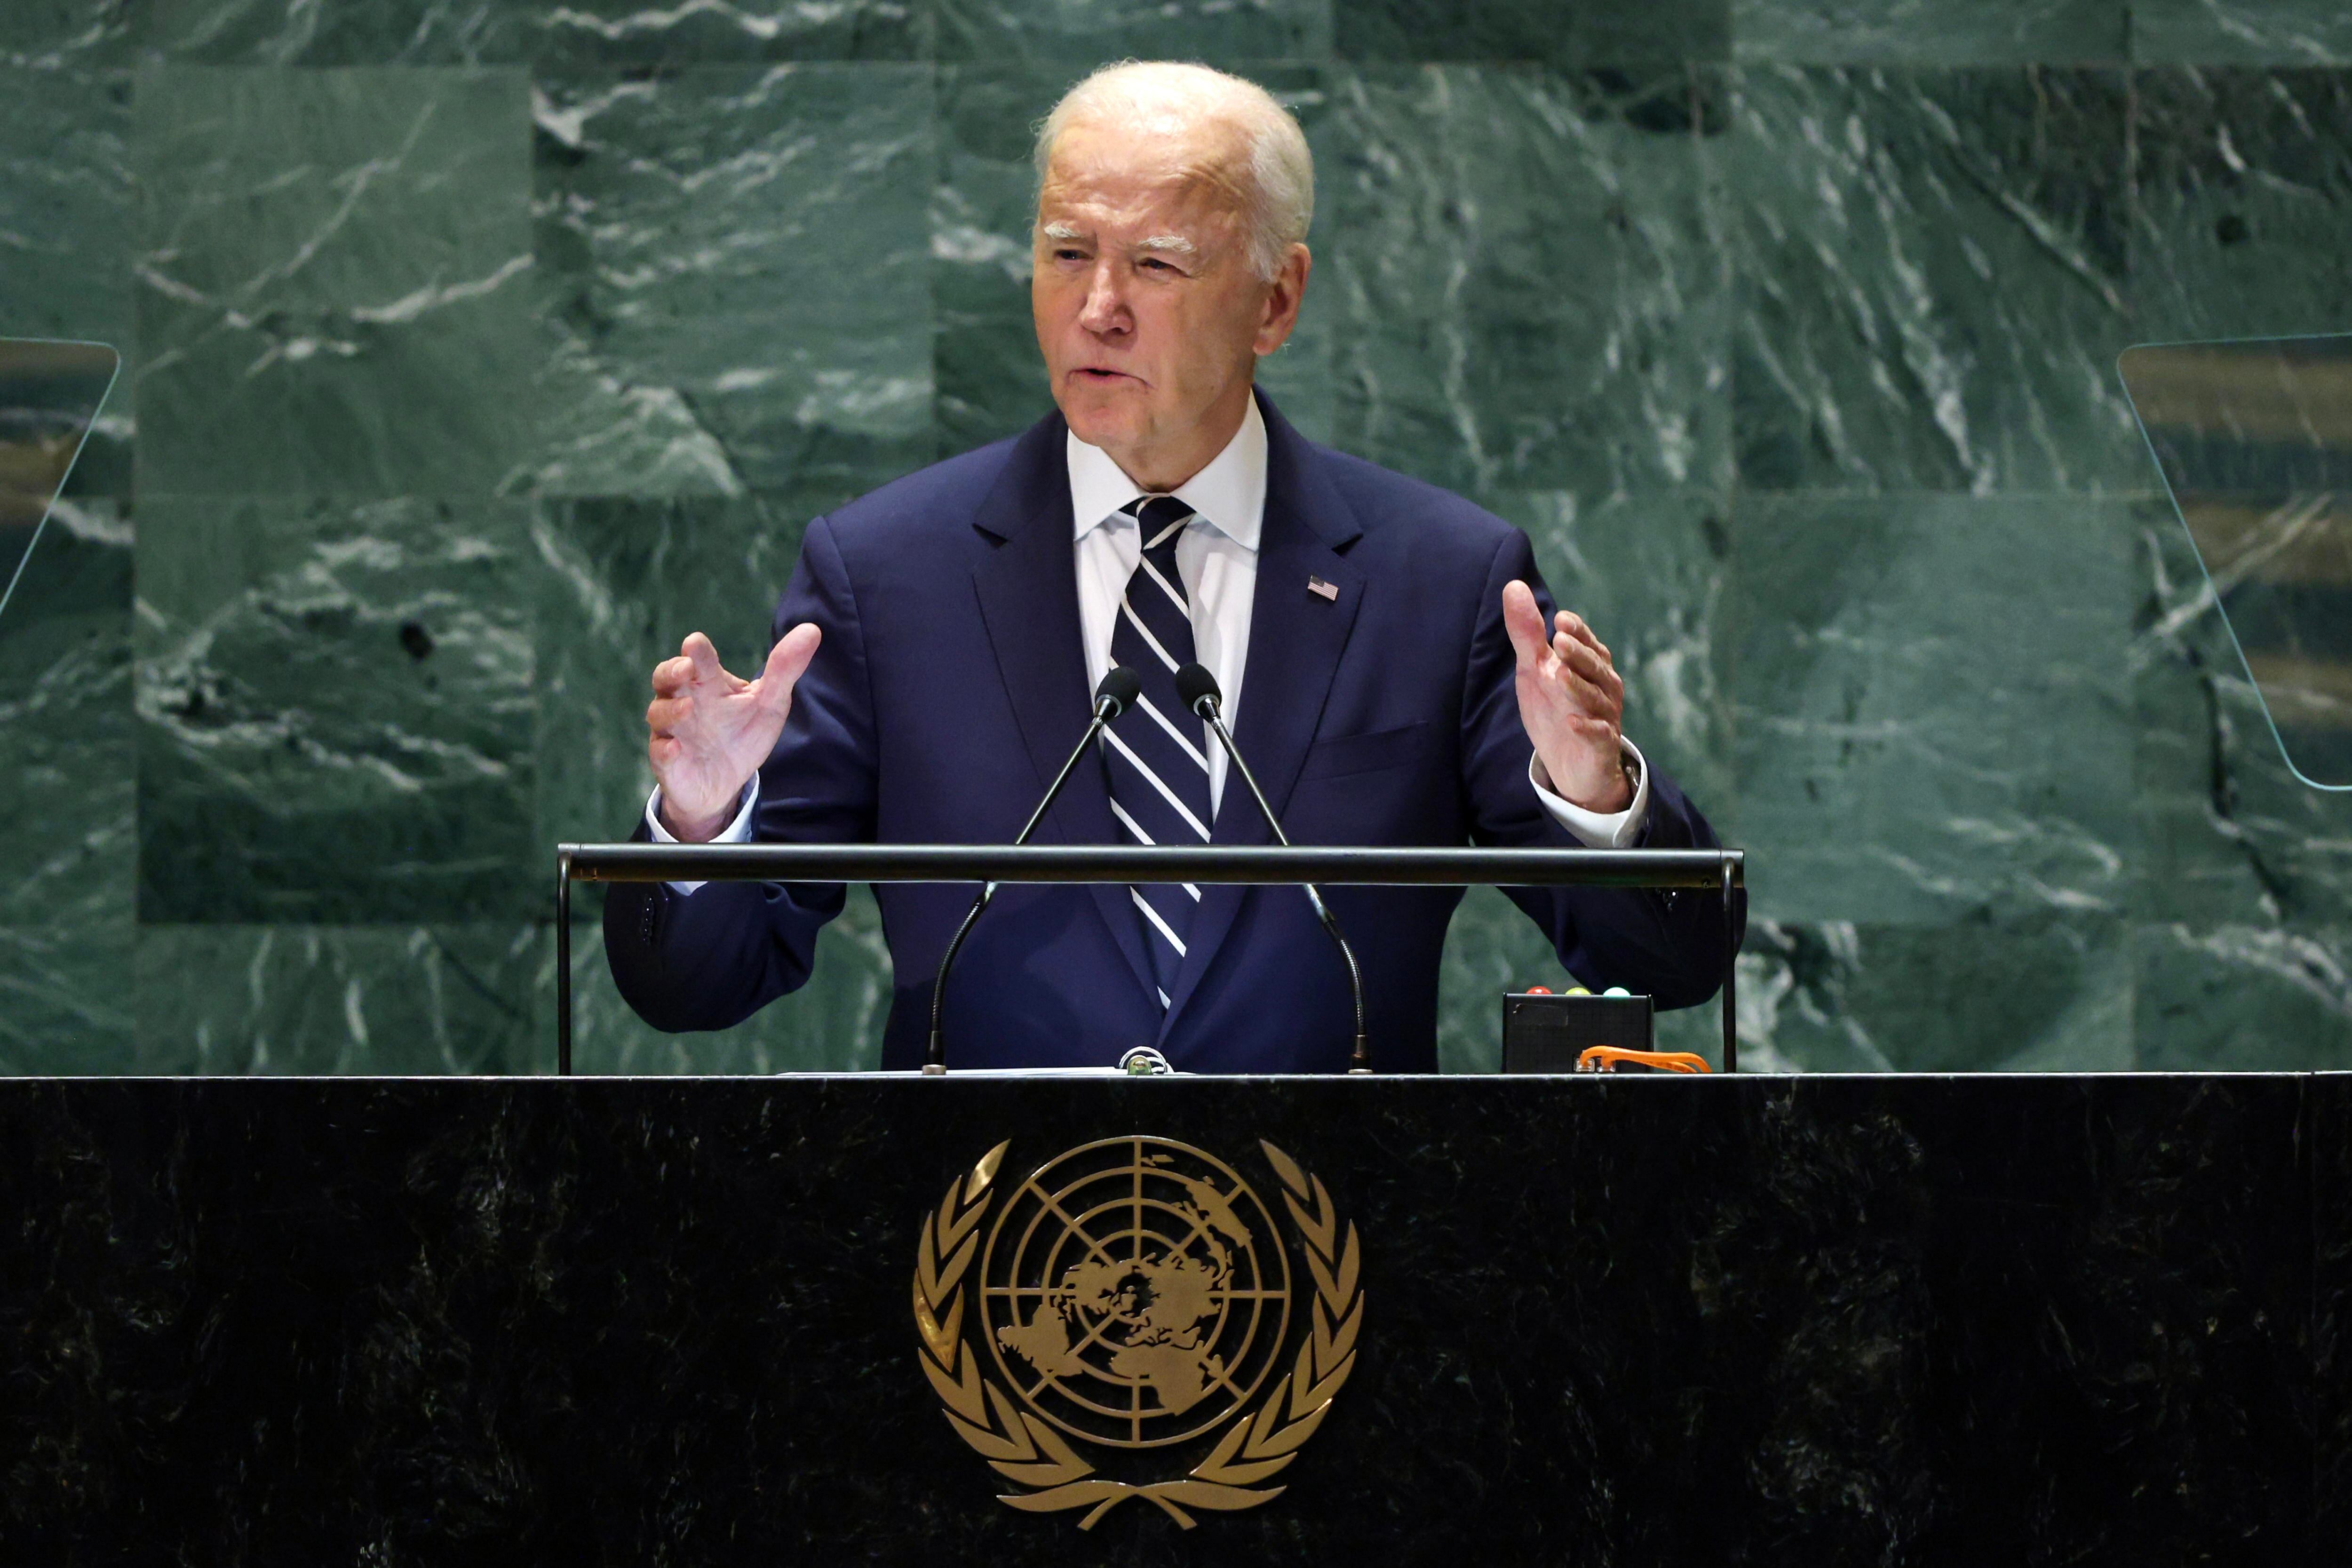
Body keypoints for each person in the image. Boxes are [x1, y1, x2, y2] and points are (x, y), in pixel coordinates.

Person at [604, 61, 1741, 1072]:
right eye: (1065, 255)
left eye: (1155, 263)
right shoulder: (887, 572)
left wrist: (1595, 799)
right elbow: (698, 987)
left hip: (1334, 1252)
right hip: (983, 1249)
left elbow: (1676, 962)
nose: (1097, 309)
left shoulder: (1440, 580)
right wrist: (702, 824)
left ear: (1276, 299)